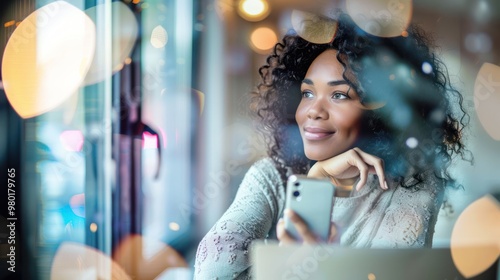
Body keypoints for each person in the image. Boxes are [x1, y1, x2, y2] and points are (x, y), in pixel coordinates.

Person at [194, 12, 470, 279]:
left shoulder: (413, 186)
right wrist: (315, 182)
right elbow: (209, 274)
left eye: (339, 94)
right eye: (307, 93)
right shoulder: (271, 176)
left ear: (381, 115)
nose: (313, 111)